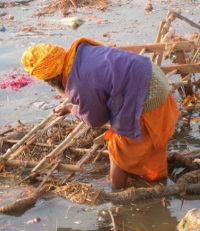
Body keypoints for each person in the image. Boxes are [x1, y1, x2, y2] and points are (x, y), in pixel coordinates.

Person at [21, 37, 180, 189]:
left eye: (47, 80)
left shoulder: (79, 82)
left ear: (54, 74)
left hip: (147, 93)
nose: (49, 84)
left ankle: (117, 195)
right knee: (144, 142)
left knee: (119, 149)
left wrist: (71, 109)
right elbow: (100, 86)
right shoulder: (80, 52)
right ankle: (146, 176)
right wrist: (72, 107)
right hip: (151, 73)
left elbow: (96, 119)